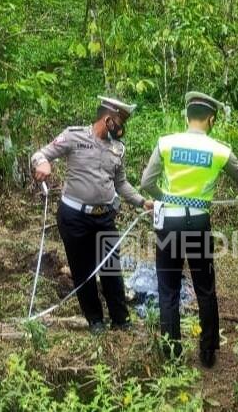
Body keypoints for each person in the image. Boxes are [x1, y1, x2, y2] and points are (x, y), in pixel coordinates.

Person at [141, 91, 238, 367]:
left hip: (169, 224)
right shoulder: (219, 151)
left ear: (187, 116)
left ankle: (172, 354)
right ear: (210, 119)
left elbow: (146, 182)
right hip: (198, 224)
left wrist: (165, 197)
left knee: (169, 289)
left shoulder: (166, 143)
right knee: (205, 288)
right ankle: (208, 353)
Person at [31, 96, 154, 334]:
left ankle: (121, 320)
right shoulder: (73, 136)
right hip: (74, 218)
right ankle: (95, 320)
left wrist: (142, 201)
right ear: (107, 119)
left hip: (104, 218)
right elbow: (40, 154)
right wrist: (42, 164)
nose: (122, 127)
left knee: (111, 269)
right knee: (83, 270)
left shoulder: (118, 148)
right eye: (120, 121)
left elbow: (121, 183)